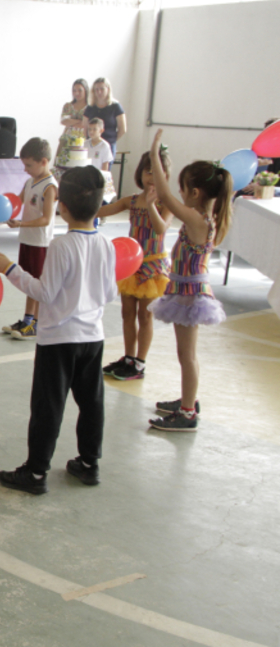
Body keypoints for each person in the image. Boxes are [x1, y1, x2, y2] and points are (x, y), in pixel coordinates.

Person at [0, 166, 117, 494]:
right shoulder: (106, 244)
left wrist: (11, 270)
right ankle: (89, 463)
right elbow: (111, 293)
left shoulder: (62, 245)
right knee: (92, 402)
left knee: (48, 405)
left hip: (59, 339)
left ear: (63, 206)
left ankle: (36, 472)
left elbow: (44, 293)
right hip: (93, 337)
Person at [146, 130, 231, 431]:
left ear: (195, 193)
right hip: (182, 288)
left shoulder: (198, 220)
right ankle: (187, 399)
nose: (178, 195)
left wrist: (155, 154)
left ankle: (187, 412)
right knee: (185, 354)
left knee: (187, 355)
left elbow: (165, 196)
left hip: (190, 294)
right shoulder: (203, 217)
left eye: (183, 189)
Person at [97, 150, 173, 381]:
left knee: (145, 316)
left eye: (158, 172)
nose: (152, 177)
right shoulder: (131, 200)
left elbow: (161, 228)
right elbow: (101, 210)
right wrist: (80, 204)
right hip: (131, 265)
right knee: (127, 313)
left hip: (153, 267)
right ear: (140, 173)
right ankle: (128, 357)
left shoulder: (166, 202)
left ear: (166, 175)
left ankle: (140, 362)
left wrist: (151, 205)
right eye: (148, 171)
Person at [0, 138, 56, 340]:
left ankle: (36, 322)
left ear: (43, 161)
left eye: (29, 165)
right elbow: (15, 203)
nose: (25, 169)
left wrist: (22, 224)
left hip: (40, 242)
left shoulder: (50, 187)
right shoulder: (30, 181)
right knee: (28, 282)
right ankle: (27, 319)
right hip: (27, 240)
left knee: (36, 283)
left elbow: (46, 219)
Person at [83, 78, 126, 157]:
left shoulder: (116, 106)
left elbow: (122, 129)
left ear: (108, 89)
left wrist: (112, 141)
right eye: (97, 89)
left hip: (108, 145)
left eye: (102, 89)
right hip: (92, 145)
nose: (99, 92)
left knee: (105, 168)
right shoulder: (90, 107)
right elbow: (84, 128)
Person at [53, 78, 89, 168]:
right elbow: (64, 121)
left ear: (85, 90)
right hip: (66, 138)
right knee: (61, 164)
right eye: (74, 90)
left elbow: (86, 124)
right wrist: (79, 121)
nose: (76, 93)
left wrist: (72, 122)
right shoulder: (68, 106)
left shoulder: (90, 107)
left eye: (80, 90)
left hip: (82, 140)